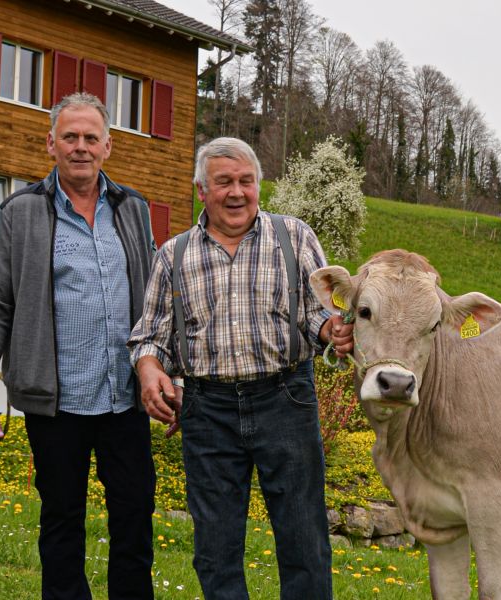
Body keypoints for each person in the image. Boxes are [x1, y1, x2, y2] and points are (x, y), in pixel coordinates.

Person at [128, 137, 352, 600]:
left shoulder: (294, 237)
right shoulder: (173, 255)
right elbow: (150, 336)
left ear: (258, 186)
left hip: (285, 398)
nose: (236, 192)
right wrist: (150, 371)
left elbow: (316, 315)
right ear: (201, 190)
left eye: (246, 181)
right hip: (207, 410)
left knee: (304, 539)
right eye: (224, 182)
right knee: (215, 547)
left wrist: (331, 329)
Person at [0, 92, 157, 599]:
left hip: (125, 399)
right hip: (57, 404)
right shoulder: (20, 212)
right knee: (61, 525)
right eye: (69, 137)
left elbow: (157, 302)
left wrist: (164, 372)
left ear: (108, 146)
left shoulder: (132, 209)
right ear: (51, 143)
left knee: (135, 521)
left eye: (91, 137)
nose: (80, 147)